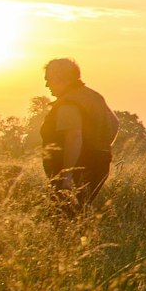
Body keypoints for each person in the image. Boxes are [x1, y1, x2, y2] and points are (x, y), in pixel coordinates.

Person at [40, 57, 119, 211]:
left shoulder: (69, 102)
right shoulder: (94, 96)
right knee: (80, 211)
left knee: (63, 216)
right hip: (100, 164)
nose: (46, 84)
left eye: (48, 79)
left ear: (59, 77)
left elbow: (74, 136)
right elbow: (115, 123)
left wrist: (67, 176)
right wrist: (101, 148)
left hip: (75, 169)